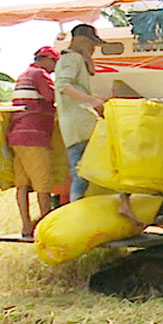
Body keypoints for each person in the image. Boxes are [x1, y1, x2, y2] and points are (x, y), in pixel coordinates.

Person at [8, 46, 60, 237]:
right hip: (34, 136)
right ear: (45, 59)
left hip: (17, 136)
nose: (54, 69)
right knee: (43, 183)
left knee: (22, 184)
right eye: (54, 63)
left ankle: (26, 225)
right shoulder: (40, 74)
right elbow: (51, 96)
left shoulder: (23, 76)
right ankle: (46, 225)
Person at [54, 24, 108, 200]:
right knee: (82, 173)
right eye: (92, 45)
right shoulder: (73, 59)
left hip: (76, 126)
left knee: (82, 171)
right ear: (83, 40)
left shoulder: (70, 59)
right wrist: (92, 101)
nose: (93, 50)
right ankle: (77, 208)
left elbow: (77, 85)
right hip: (80, 126)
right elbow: (63, 85)